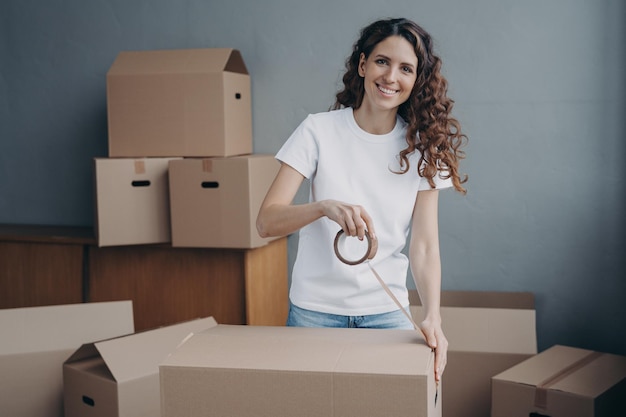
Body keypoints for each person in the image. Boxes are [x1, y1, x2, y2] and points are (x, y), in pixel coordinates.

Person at [256, 17, 467, 382]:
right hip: (314, 313)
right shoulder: (318, 131)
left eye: (406, 68)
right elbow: (266, 222)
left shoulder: (423, 148)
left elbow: (425, 246)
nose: (390, 77)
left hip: (387, 313)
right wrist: (324, 206)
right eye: (382, 61)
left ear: (416, 80)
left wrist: (433, 313)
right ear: (363, 64)